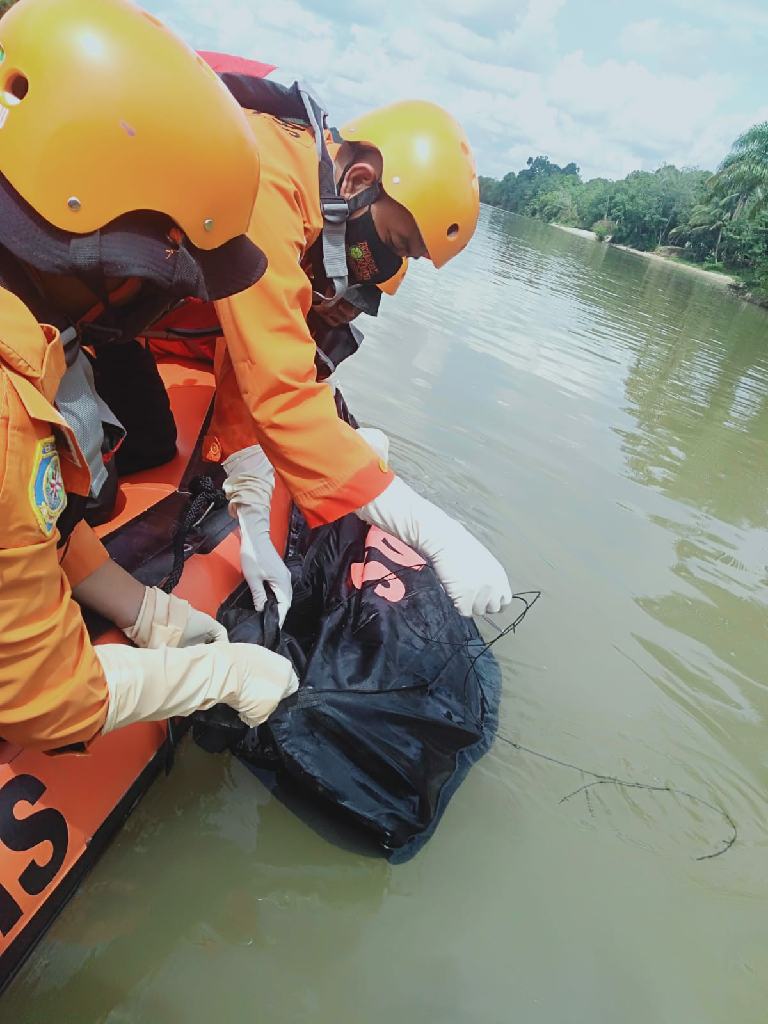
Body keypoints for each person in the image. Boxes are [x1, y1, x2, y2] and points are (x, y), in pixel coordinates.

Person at [0, 0, 298, 751]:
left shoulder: (30, 339)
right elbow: (42, 700)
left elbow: (34, 529)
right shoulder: (10, 416)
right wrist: (217, 676)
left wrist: (140, 608)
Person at [137, 59, 513, 625]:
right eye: (397, 244)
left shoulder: (323, 211)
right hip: (75, 304)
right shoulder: (271, 183)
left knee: (152, 440)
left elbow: (253, 357)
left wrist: (252, 508)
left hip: (134, 317)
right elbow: (279, 386)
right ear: (358, 182)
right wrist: (432, 531)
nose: (377, 271)